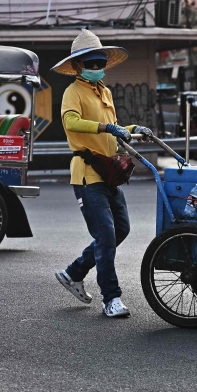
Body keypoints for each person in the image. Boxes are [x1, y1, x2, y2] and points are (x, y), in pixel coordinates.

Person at [52, 30, 152, 319]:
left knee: (121, 229)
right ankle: (111, 298)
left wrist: (135, 130)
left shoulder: (104, 92)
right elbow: (71, 122)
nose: (96, 69)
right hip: (87, 175)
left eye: (99, 64)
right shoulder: (73, 92)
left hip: (109, 173)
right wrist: (107, 128)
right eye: (90, 64)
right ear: (79, 66)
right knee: (106, 235)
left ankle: (74, 273)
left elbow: (115, 128)